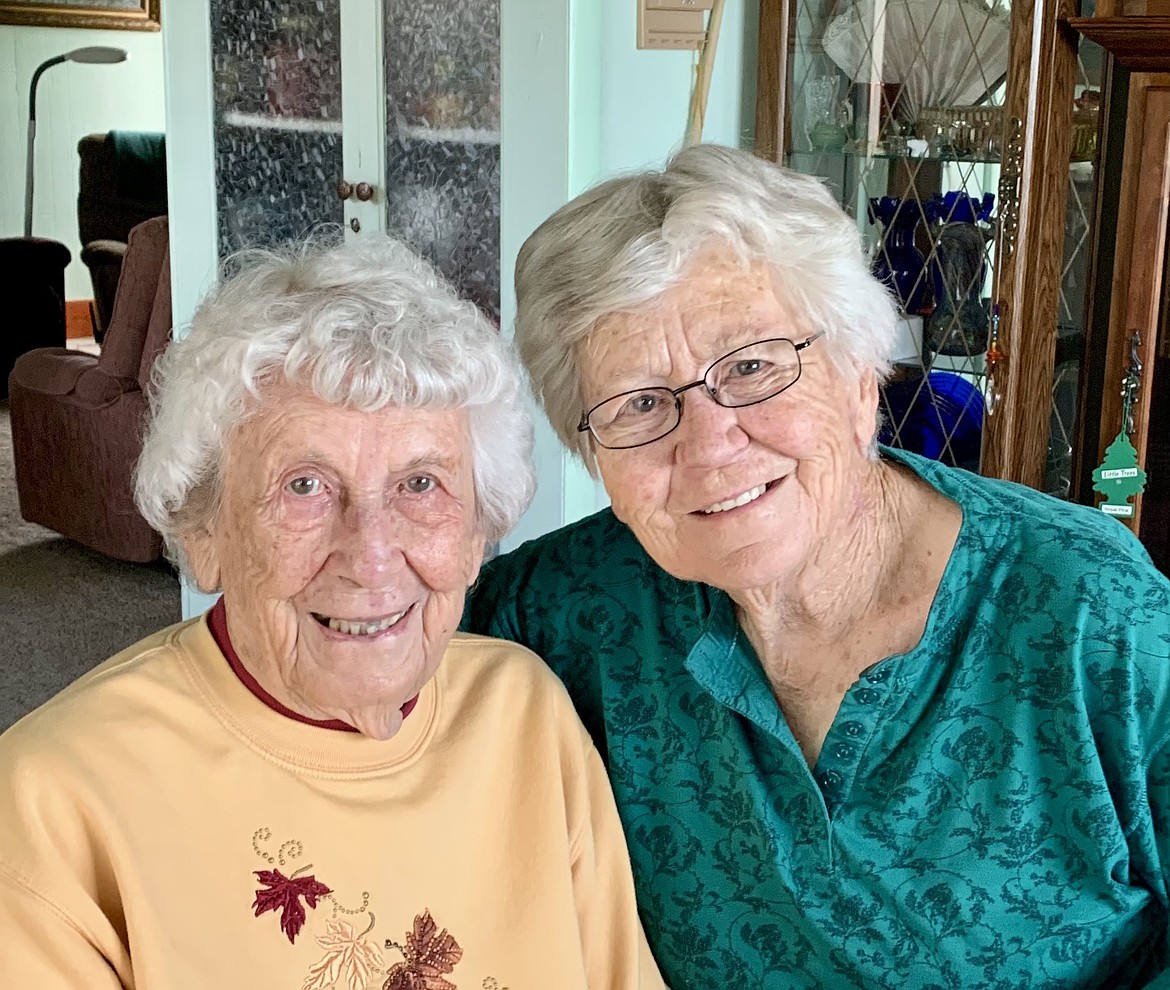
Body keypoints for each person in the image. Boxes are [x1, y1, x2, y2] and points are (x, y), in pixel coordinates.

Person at [463, 143, 1170, 989]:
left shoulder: (1088, 606)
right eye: (643, 403)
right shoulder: (569, 608)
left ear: (861, 377)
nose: (711, 443)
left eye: (753, 366)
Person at [0, 236, 667, 990]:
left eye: (421, 484)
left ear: (480, 531)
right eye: (305, 487)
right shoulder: (51, 803)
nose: (372, 554)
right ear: (203, 531)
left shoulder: (525, 715)